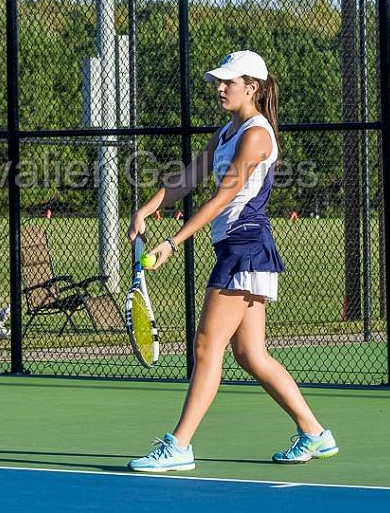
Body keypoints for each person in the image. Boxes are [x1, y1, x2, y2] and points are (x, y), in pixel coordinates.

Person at [125, 50, 337, 473]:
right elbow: (188, 178)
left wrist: (173, 241)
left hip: (246, 247)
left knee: (207, 346)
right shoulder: (226, 132)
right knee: (250, 353)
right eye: (218, 81)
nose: (220, 88)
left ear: (252, 87)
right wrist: (146, 209)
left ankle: (179, 445)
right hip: (236, 248)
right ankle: (315, 433)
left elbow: (224, 195)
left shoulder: (257, 135)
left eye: (229, 82)